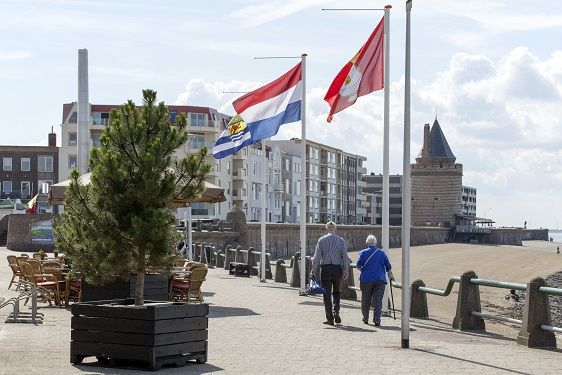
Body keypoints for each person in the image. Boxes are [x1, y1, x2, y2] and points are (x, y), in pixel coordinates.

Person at [311, 221, 350, 326]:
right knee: (337, 291)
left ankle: (330, 319)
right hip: (337, 269)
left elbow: (317, 257)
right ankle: (336, 310)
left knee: (326, 294)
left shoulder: (321, 240)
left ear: (326, 228)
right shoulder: (341, 240)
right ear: (335, 229)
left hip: (326, 269)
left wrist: (313, 271)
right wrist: (346, 270)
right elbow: (345, 256)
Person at [356, 235, 393, 326]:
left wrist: (363, 270)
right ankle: (377, 320)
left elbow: (358, 265)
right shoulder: (381, 253)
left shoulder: (362, 253)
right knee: (378, 300)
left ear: (367, 243)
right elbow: (388, 265)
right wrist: (389, 273)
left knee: (365, 299)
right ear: (375, 243)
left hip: (366, 279)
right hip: (379, 279)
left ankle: (365, 318)